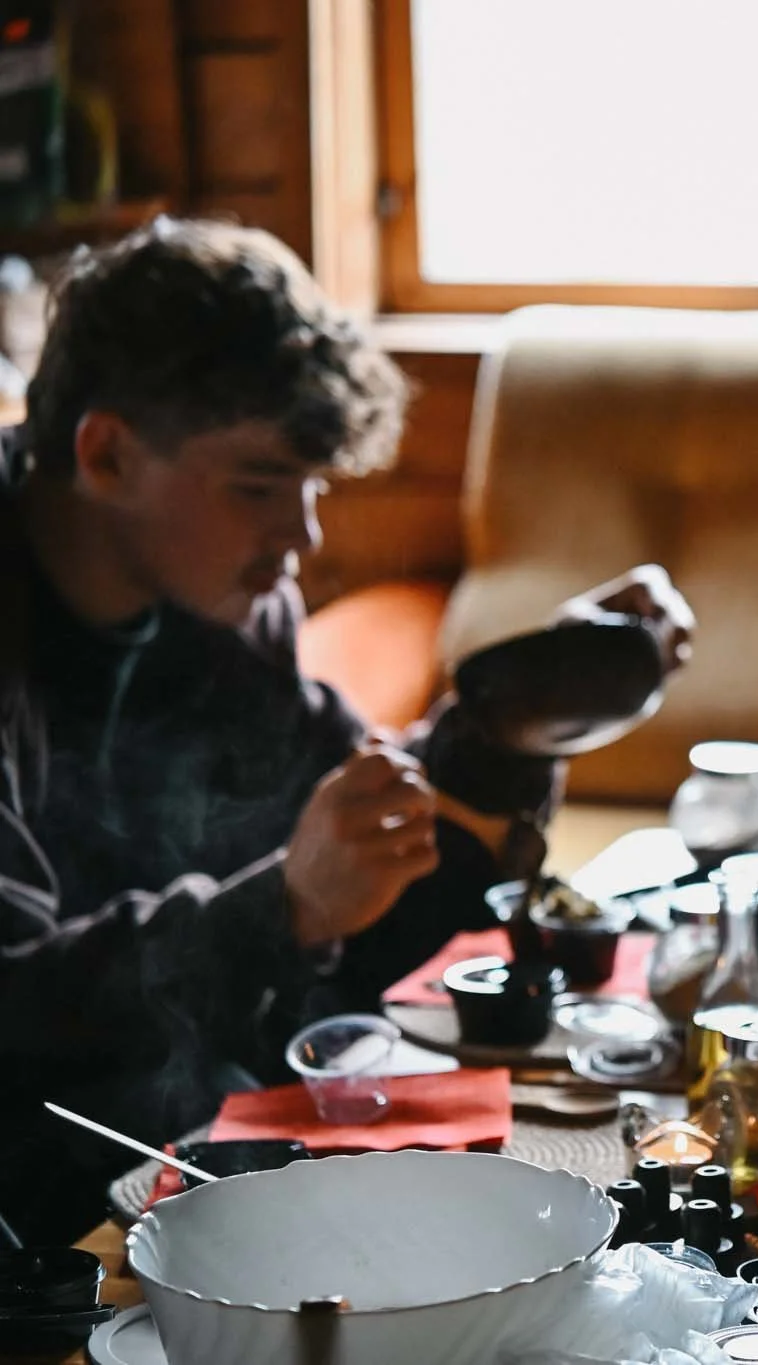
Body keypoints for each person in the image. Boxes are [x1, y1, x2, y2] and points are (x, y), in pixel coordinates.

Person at [0, 219, 693, 1244]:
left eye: (313, 485)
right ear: (106, 454)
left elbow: (375, 881)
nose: (304, 534)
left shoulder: (229, 608)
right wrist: (280, 910)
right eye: (258, 485)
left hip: (200, 1143)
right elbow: (17, 1010)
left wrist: (517, 718)